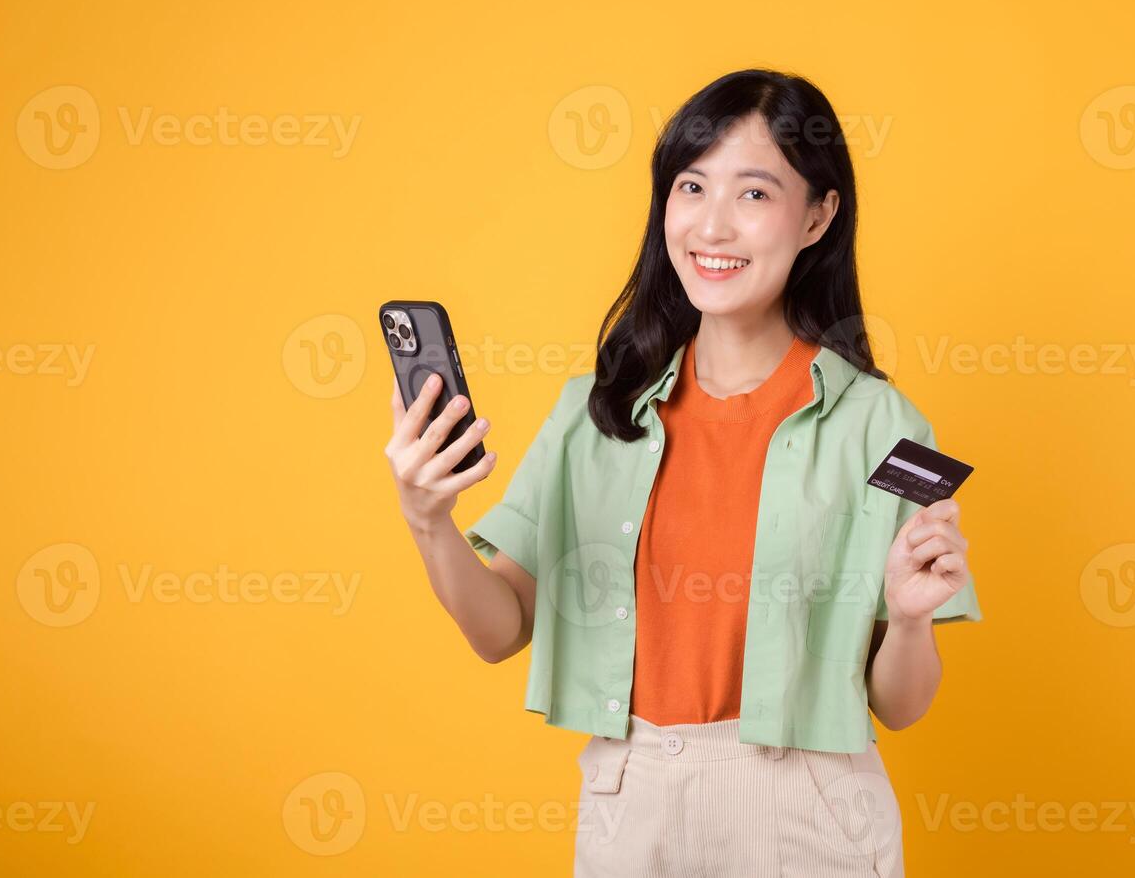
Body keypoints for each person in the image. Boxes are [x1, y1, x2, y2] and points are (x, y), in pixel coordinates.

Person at [384, 68, 981, 877]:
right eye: (691, 185)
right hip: (633, 806)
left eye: (755, 194)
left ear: (818, 215)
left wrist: (909, 620)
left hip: (809, 813)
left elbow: (900, 708)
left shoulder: (883, 427)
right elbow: (499, 630)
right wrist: (429, 520)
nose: (713, 225)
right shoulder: (595, 414)